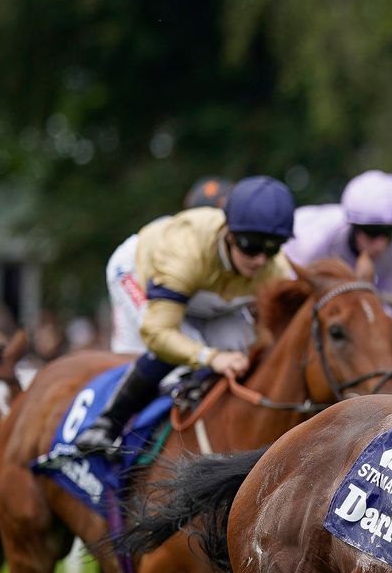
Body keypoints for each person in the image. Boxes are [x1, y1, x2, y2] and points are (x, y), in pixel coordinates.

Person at [75, 175, 297, 454]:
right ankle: (107, 424)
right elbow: (159, 334)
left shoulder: (275, 267)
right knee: (182, 355)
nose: (260, 260)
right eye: (251, 246)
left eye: (272, 248)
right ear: (228, 233)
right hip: (141, 272)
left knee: (239, 351)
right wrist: (210, 357)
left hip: (207, 293)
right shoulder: (186, 252)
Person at [283, 170, 392, 305]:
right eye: (372, 232)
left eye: (389, 232)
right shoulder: (314, 240)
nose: (381, 245)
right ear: (353, 226)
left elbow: (389, 296)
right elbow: (290, 289)